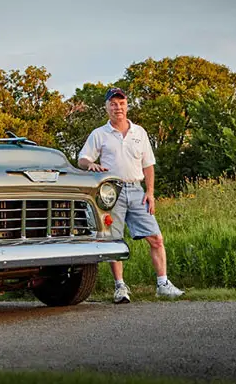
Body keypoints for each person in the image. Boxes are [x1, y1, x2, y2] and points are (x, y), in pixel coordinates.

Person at [78, 87, 185, 303]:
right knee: (114, 241)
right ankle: (120, 288)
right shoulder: (99, 134)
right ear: (107, 107)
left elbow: (148, 165)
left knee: (156, 238)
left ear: (127, 105)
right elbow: (82, 159)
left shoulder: (140, 133)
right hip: (111, 192)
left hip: (137, 190)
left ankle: (163, 284)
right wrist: (91, 164)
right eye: (113, 104)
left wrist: (151, 193)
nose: (118, 107)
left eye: (121, 103)